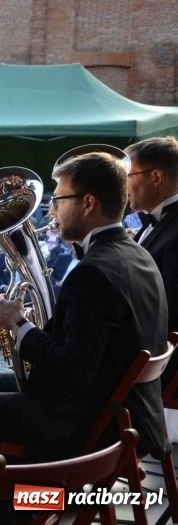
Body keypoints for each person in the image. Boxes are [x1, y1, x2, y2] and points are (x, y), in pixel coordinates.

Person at [0, 151, 169, 524]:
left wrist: (21, 326)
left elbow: (71, 372)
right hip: (128, 410)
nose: (52, 212)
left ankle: (6, 511)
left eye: (59, 200)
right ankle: (33, 493)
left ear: (89, 203)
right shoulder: (137, 253)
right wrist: (34, 331)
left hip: (92, 421)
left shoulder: (92, 273)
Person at [125, 137, 178, 441]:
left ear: (155, 178)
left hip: (151, 370)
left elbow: (168, 311)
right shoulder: (152, 224)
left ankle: (41, 483)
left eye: (129, 176)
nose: (125, 185)